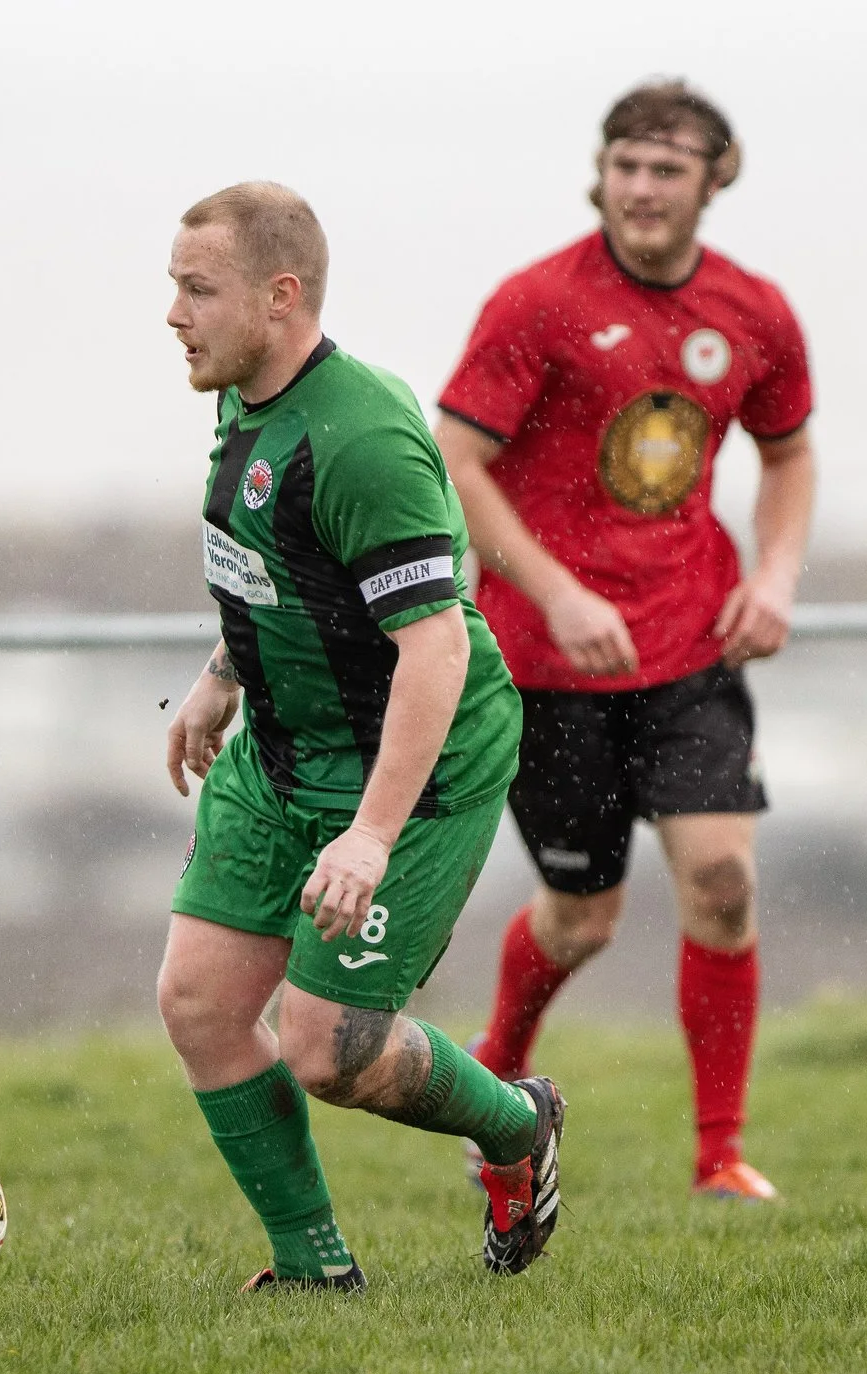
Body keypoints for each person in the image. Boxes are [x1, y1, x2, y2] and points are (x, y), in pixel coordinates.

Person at [155, 182, 566, 1290]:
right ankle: (312, 1268)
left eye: (198, 288)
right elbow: (282, 563)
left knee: (328, 1045)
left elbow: (434, 651)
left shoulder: (366, 435)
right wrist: (218, 674)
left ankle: (517, 1128)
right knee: (199, 1004)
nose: (172, 314)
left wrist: (371, 835)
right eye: (173, 287)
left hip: (414, 767)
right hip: (286, 751)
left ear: (280, 297)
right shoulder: (244, 396)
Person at [436, 80, 816, 1201]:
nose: (642, 189)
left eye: (667, 170)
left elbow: (788, 454)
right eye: (626, 167)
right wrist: (554, 593)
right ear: (598, 174)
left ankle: (718, 1158)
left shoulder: (754, 311)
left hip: (692, 649)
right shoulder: (537, 302)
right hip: (548, 666)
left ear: (714, 180)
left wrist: (778, 575)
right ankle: (499, 1068)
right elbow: (456, 462)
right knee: (582, 917)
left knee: (721, 878)